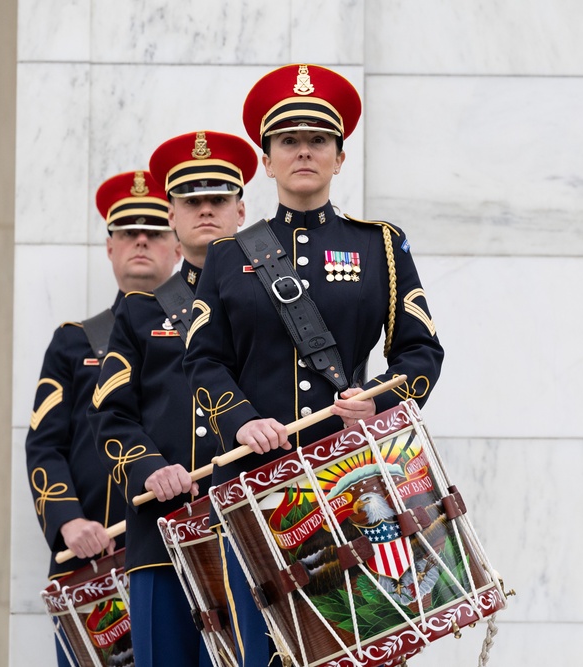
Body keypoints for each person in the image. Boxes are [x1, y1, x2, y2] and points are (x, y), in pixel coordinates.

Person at [182, 63, 445, 665]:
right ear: (267, 161)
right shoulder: (226, 258)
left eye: (318, 140)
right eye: (288, 141)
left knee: (362, 639)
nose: (304, 151)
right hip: (255, 482)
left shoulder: (378, 243)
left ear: (339, 157)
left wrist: (378, 402)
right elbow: (203, 359)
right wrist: (242, 420)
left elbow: (420, 351)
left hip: (351, 476)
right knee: (264, 650)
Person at [87, 131, 256, 667]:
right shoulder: (139, 313)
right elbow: (111, 416)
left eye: (218, 200)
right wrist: (150, 468)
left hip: (258, 531)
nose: (205, 210)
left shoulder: (276, 303)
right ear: (173, 217)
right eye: (191, 201)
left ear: (241, 211)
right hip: (163, 538)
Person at [25, 169, 179, 667]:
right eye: (127, 232)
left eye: (155, 232)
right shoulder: (74, 340)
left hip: (179, 545)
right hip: (94, 559)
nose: (141, 241)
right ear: (109, 248)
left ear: (176, 243)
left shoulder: (207, 331)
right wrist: (68, 523)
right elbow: (44, 445)